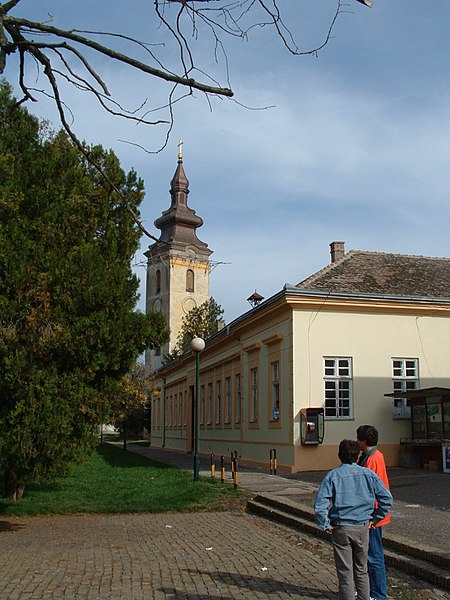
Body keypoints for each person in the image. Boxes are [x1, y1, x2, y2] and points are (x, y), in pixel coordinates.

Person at [314, 440, 392, 600]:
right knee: (362, 570)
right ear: (357, 456)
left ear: (339, 456)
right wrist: (376, 518)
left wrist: (325, 523)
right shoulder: (368, 474)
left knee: (345, 572)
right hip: (363, 527)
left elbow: (320, 504)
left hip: (341, 527)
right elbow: (386, 498)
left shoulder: (333, 475)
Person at [357, 425, 391, 600]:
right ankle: (370, 591)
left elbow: (369, 489)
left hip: (373, 515)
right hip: (374, 513)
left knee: (374, 556)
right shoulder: (373, 456)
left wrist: (373, 516)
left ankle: (378, 594)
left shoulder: (372, 460)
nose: (357, 442)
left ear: (363, 441)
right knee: (370, 555)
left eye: (358, 439)